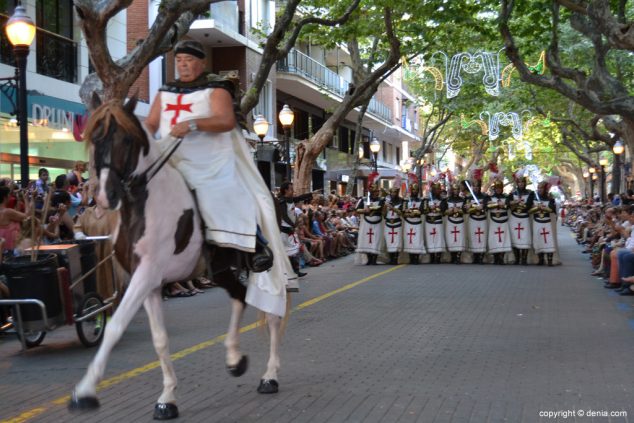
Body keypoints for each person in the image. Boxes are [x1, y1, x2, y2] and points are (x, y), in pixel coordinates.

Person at [144, 39, 293, 316]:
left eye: (189, 60)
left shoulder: (216, 87)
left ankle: (256, 244)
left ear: (201, 63)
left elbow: (225, 121)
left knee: (231, 190)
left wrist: (191, 123)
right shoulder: (166, 92)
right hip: (171, 154)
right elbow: (151, 124)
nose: (183, 65)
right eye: (179, 61)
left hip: (210, 158)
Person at [276, 182, 311, 279]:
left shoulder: (290, 199)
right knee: (286, 252)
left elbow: (300, 197)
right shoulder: (282, 201)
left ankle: (295, 271)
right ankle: (284, 272)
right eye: (291, 189)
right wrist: (293, 224)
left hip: (290, 229)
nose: (293, 191)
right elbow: (284, 216)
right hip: (284, 230)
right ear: (286, 190)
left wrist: (312, 194)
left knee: (294, 250)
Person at [530, 181, 559, 266]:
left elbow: (552, 210)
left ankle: (550, 260)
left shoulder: (550, 198)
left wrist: (544, 207)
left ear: (545, 189)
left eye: (541, 188)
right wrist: (536, 207)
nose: (539, 190)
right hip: (537, 221)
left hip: (547, 222)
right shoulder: (534, 198)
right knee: (538, 240)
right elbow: (529, 210)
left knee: (548, 241)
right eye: (538, 188)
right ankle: (541, 259)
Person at [355, 183, 384, 265]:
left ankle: (374, 258)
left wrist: (371, 208)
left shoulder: (381, 200)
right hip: (366, 222)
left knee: (376, 239)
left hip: (377, 223)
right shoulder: (363, 199)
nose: (376, 193)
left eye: (377, 191)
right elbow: (357, 209)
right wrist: (364, 210)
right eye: (374, 191)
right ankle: (368, 258)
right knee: (367, 240)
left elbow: (381, 209)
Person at [508, 174, 533, 265]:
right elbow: (508, 203)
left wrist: (521, 204)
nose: (521, 184)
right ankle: (517, 258)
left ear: (525, 183)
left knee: (525, 238)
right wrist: (515, 202)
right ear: (517, 183)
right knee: (515, 238)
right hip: (514, 217)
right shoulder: (513, 193)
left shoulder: (530, 193)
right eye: (519, 182)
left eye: (523, 182)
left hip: (524, 217)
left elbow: (529, 205)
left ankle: (524, 259)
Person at [486, 178, 512, 265]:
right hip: (494, 220)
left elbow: (507, 206)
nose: (498, 189)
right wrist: (496, 204)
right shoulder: (490, 197)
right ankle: (495, 257)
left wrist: (502, 205)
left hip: (503, 220)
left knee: (503, 239)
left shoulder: (506, 197)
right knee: (494, 239)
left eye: (499, 188)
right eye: (496, 188)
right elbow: (487, 206)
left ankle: (501, 257)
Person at [441, 181, 466, 264]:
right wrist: (450, 210)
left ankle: (458, 257)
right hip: (450, 221)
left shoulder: (463, 200)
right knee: (451, 238)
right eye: (454, 190)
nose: (456, 191)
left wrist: (459, 210)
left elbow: (466, 210)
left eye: (457, 189)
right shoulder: (447, 200)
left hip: (460, 221)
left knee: (460, 239)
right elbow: (443, 211)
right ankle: (452, 256)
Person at [402, 183, 425, 264]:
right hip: (409, 222)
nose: (414, 191)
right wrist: (407, 212)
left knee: (417, 240)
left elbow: (422, 211)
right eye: (413, 190)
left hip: (417, 222)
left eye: (416, 190)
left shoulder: (421, 200)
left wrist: (414, 212)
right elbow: (403, 211)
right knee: (409, 240)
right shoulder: (406, 200)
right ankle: (411, 258)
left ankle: (416, 258)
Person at [465, 178, 487, 264]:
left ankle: (481, 256)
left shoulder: (485, 196)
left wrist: (483, 206)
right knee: (473, 237)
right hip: (473, 219)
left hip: (482, 219)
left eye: (477, 186)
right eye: (474, 186)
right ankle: (475, 256)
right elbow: (465, 208)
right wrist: (471, 205)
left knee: (482, 238)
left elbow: (486, 204)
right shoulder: (469, 197)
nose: (476, 188)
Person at [424, 181, 445, 263]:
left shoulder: (442, 200)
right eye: (435, 189)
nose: (436, 191)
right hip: (429, 221)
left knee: (438, 239)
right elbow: (424, 210)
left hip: (438, 220)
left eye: (438, 189)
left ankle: (438, 257)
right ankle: (432, 256)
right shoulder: (427, 199)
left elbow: (443, 209)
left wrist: (437, 208)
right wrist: (429, 208)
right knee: (430, 239)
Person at [383, 186, 404, 265]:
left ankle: (396, 258)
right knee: (389, 241)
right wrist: (385, 207)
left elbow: (401, 213)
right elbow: (384, 215)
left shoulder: (401, 201)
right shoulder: (387, 202)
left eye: (395, 192)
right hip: (388, 223)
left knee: (397, 241)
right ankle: (391, 258)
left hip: (397, 223)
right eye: (392, 192)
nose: (393, 194)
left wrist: (392, 208)